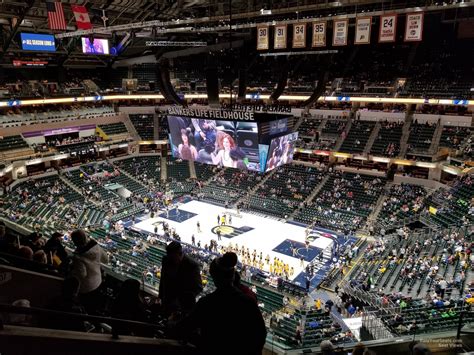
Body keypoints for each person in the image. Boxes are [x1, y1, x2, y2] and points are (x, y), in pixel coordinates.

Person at [177, 252, 266, 354]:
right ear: (233, 276)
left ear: (214, 277)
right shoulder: (248, 302)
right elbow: (260, 335)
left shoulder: (206, 304)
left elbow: (184, 328)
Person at [158, 241, 202, 317]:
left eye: (173, 258)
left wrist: (180, 301)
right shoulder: (166, 259)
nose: (171, 260)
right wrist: (161, 296)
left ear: (180, 254)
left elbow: (198, 288)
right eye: (169, 257)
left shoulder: (192, 265)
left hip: (183, 307)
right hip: (167, 301)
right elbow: (163, 279)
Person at [70, 229, 109, 314]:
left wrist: (73, 271)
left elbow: (82, 275)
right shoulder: (96, 246)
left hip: (87, 287)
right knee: (95, 305)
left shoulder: (77, 256)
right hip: (98, 281)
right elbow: (106, 260)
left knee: (87, 307)